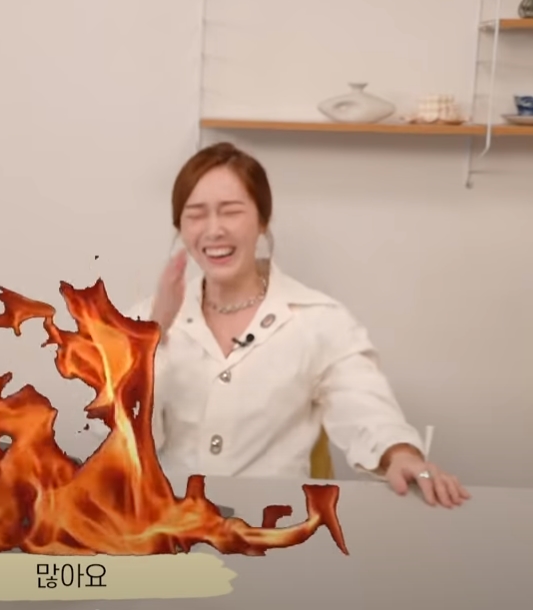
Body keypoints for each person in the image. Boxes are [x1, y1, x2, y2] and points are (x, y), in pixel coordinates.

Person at [125, 141, 469, 508]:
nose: (214, 230)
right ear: (180, 228)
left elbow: (364, 405)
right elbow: (121, 438)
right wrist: (153, 337)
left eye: (231, 212)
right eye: (196, 215)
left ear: (262, 221)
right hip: (168, 522)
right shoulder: (145, 318)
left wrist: (401, 454)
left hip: (274, 526)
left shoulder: (319, 319)